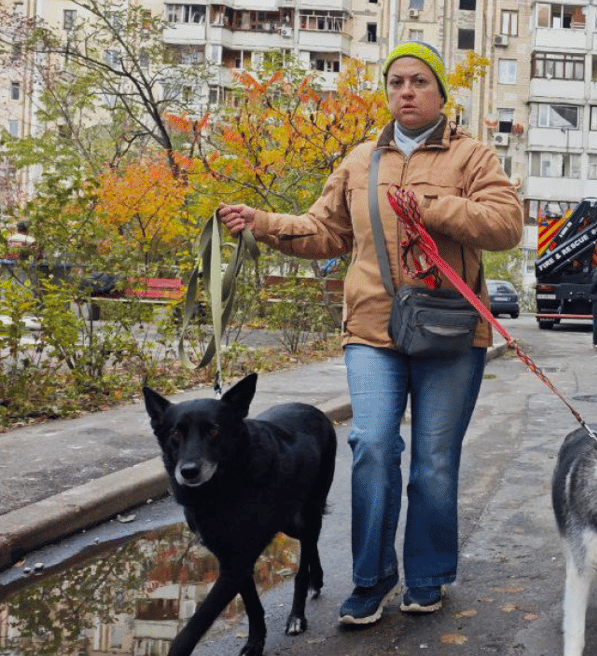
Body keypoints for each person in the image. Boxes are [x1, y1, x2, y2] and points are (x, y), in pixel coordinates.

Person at [217, 41, 523, 625]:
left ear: (440, 92)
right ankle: (371, 577)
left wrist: (433, 207)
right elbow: (324, 232)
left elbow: (506, 225)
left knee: (434, 461)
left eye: (419, 81)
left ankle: (427, 576)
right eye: (396, 82)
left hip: (449, 328)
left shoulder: (472, 156)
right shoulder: (360, 162)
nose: (406, 91)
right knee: (373, 446)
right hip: (371, 327)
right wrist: (262, 223)